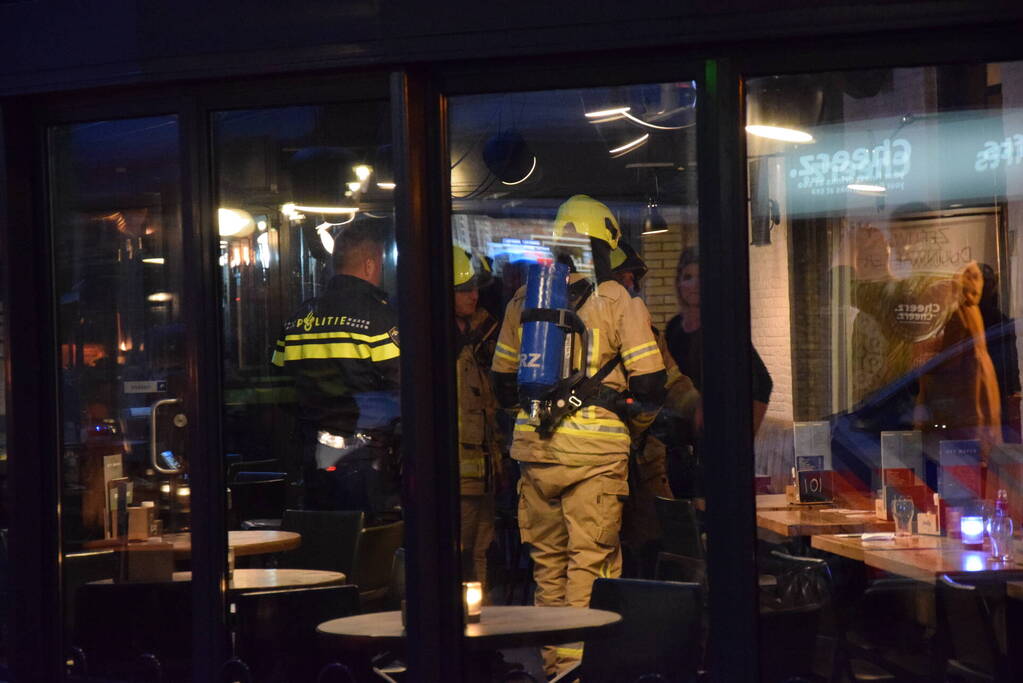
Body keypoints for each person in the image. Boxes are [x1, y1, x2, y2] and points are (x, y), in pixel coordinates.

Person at [491, 195, 666, 677]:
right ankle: (581, 671)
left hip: (535, 452)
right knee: (592, 565)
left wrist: (533, 423)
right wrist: (630, 429)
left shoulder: (522, 300)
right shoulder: (618, 300)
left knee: (548, 569)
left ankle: (555, 667)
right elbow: (650, 384)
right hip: (596, 456)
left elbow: (503, 380)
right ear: (606, 245)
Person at [271, 221, 401, 522]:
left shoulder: (298, 318)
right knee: (368, 543)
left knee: (322, 540)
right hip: (365, 457)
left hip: (310, 453)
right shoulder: (379, 318)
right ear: (370, 264)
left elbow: (278, 385)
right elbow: (402, 387)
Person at [664, 245, 772, 496]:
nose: (695, 284)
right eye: (688, 277)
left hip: (716, 440)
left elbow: (762, 383)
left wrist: (743, 440)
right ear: (679, 283)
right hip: (678, 441)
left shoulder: (723, 327)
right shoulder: (674, 329)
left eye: (702, 276)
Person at [452, 246, 502, 590]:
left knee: (481, 552)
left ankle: (479, 623)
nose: (474, 295)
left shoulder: (483, 333)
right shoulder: (435, 343)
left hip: (486, 469)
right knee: (459, 552)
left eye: (476, 288)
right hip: (457, 475)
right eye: (465, 289)